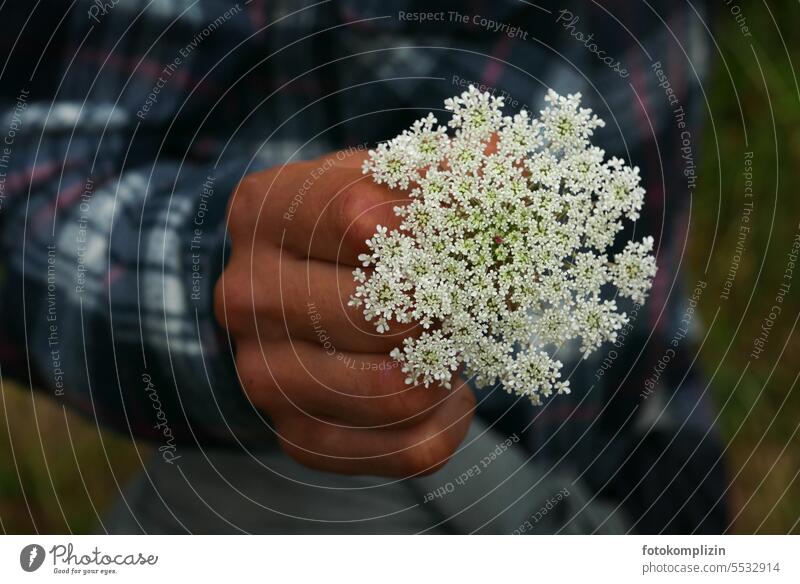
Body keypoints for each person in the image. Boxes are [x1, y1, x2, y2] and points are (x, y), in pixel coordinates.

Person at [0, 0, 727, 533]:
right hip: (299, 444)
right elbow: (25, 165)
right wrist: (219, 282)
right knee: (289, 489)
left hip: (614, 462)